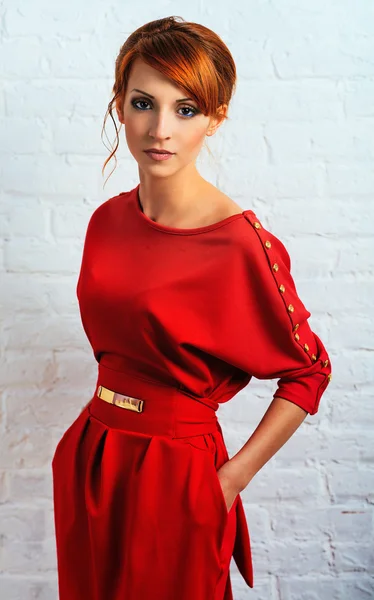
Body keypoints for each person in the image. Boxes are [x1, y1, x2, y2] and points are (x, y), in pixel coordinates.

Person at [51, 15, 333, 600]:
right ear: (120, 106)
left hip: (176, 475)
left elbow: (309, 371)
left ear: (215, 119)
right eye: (143, 103)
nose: (160, 129)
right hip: (93, 455)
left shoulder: (238, 243)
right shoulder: (105, 223)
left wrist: (232, 479)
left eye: (185, 109)